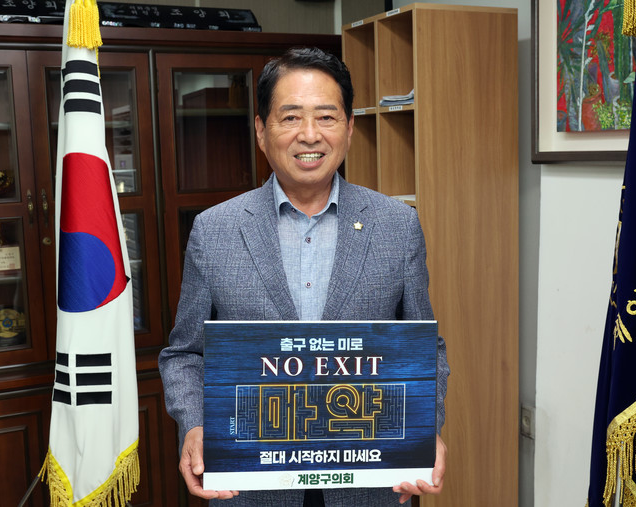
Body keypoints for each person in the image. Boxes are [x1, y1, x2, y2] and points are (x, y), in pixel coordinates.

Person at [158, 46, 449, 506]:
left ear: (348, 129)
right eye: (291, 117)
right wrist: (194, 424)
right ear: (261, 130)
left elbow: (424, 349)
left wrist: (425, 428)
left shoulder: (397, 225)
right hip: (252, 488)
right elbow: (185, 354)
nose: (309, 135)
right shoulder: (215, 230)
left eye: (326, 117)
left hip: (368, 485)